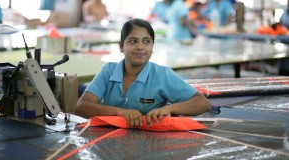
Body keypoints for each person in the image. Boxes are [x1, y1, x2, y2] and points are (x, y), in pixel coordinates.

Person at [75, 18, 211, 126]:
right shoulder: (108, 71)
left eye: (146, 42)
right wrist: (119, 112)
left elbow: (202, 103)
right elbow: (82, 107)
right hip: (108, 141)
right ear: (121, 46)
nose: (140, 47)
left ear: (152, 47)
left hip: (151, 143)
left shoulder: (162, 75)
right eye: (133, 41)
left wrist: (168, 109)